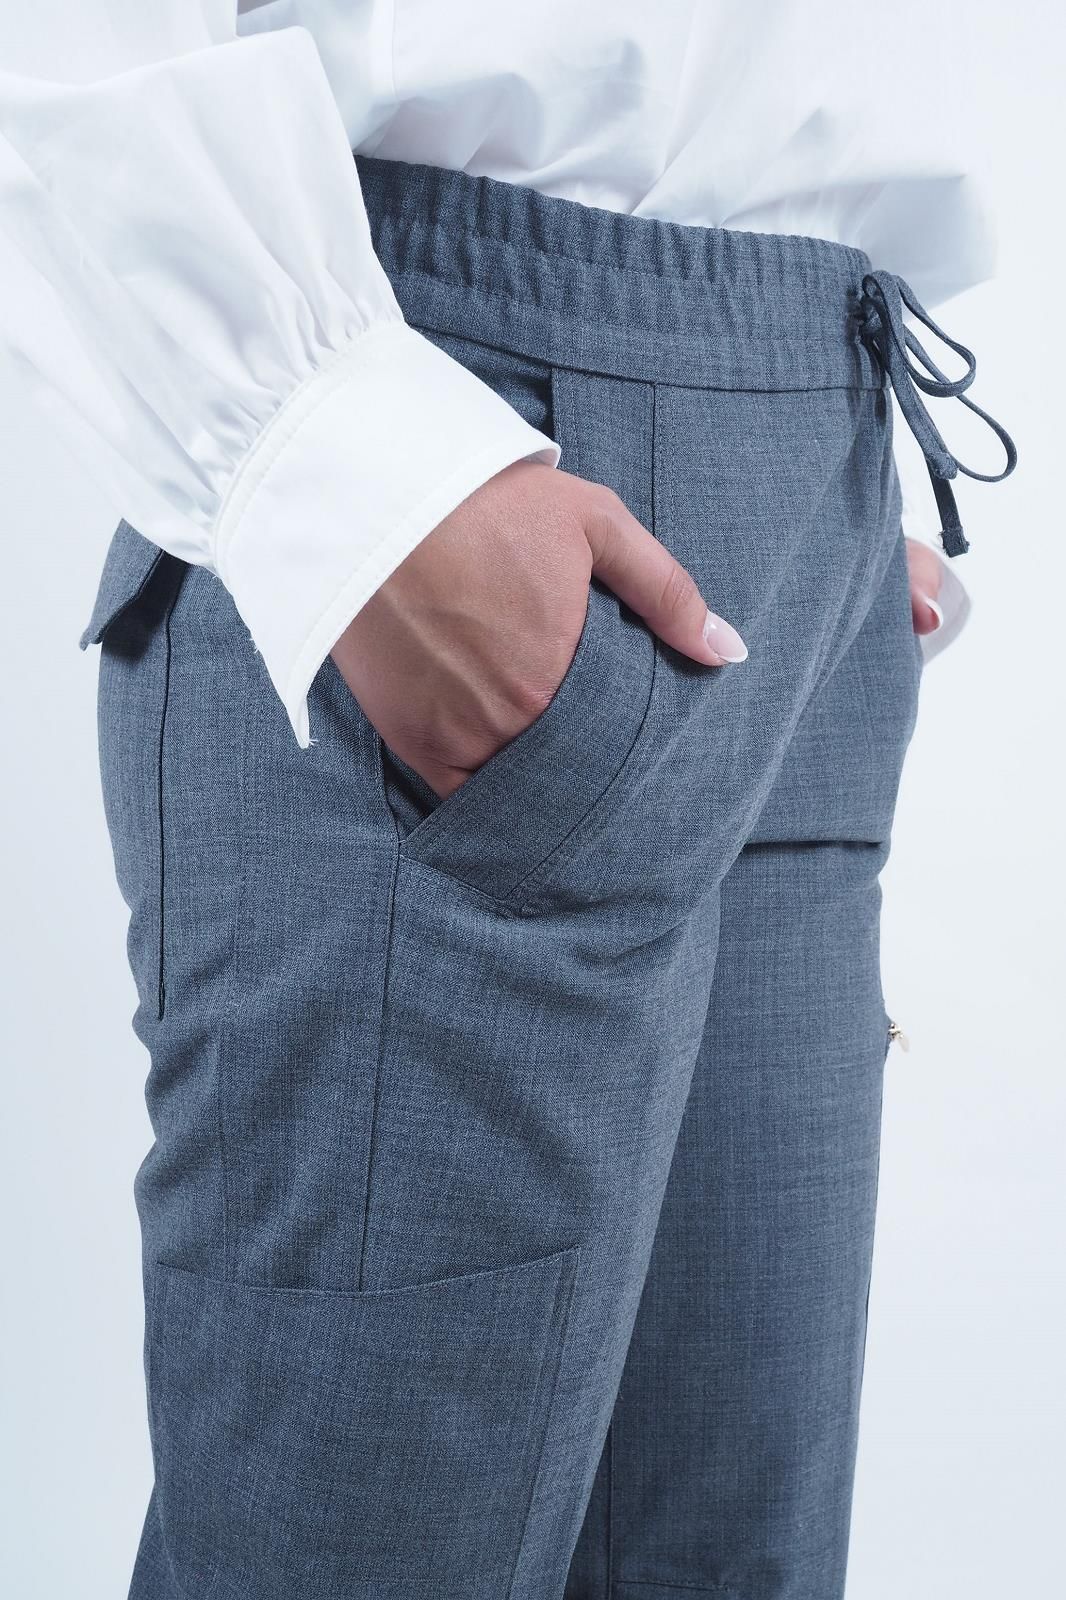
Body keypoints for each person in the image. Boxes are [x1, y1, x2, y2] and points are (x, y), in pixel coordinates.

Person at [0, 5, 1016, 1598]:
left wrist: (790, 489)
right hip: (448, 412)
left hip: (813, 420)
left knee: (727, 1555)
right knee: (366, 1545)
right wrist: (337, 447)